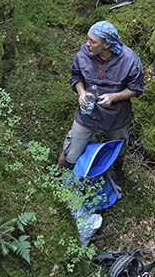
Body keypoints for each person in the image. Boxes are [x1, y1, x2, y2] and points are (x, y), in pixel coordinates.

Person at [58, 21, 144, 185]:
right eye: (88, 39)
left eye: (93, 41)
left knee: (119, 149)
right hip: (88, 114)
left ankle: (117, 171)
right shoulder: (84, 54)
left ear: (107, 44)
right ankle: (58, 177)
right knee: (70, 153)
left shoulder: (129, 60)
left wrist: (114, 97)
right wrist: (81, 92)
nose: (87, 44)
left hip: (116, 116)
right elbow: (76, 76)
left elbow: (136, 89)